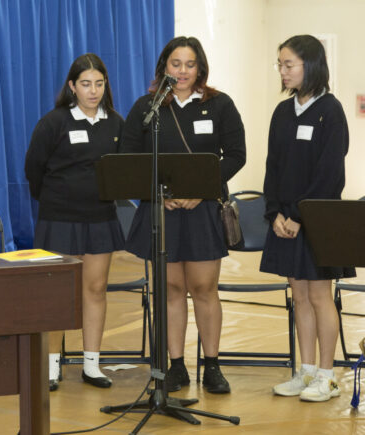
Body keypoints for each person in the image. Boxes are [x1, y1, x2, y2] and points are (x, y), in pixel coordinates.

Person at [120, 36, 246, 394]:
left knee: (204, 288)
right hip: (162, 211)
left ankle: (212, 366)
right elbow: (129, 158)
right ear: (164, 68)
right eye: (176, 64)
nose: (183, 71)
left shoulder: (219, 105)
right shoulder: (148, 107)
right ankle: (175, 366)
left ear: (200, 68)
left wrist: (202, 189)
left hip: (204, 209)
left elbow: (236, 154)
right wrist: (157, 195)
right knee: (171, 289)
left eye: (190, 65)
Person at [25, 53, 125, 391]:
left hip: (100, 218)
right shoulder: (54, 122)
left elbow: (123, 169)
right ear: (72, 86)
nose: (93, 91)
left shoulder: (115, 123)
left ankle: (92, 365)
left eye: (99, 84)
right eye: (85, 84)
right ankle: (52, 367)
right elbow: (33, 170)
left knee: (95, 289)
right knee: (58, 293)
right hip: (59, 219)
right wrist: (57, 199)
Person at [262, 34, 353, 402]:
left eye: (289, 64)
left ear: (309, 65)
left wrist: (301, 214)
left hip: (320, 220)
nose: (282, 71)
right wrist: (275, 213)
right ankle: (307, 371)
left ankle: (329, 377)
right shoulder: (283, 112)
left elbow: (330, 173)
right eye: (280, 64)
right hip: (286, 221)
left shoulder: (330, 110)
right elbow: (273, 168)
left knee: (319, 296)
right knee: (298, 296)